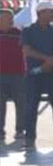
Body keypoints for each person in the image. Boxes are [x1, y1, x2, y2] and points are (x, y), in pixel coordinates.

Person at [20, 0, 53, 152]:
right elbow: (27, 50)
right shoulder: (28, 30)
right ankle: (29, 139)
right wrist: (45, 59)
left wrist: (52, 61)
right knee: (31, 107)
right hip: (34, 74)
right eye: (50, 11)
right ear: (40, 13)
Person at [0, 8, 26, 145]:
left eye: (11, 18)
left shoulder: (19, 34)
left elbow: (27, 50)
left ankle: (20, 130)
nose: (10, 21)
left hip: (18, 74)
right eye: (6, 18)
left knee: (21, 103)